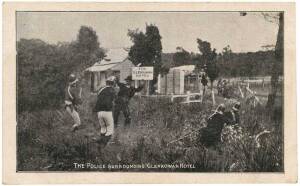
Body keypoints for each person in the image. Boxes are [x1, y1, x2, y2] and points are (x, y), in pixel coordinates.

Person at [93, 76, 117, 146]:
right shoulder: (112, 90)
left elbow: (98, 97)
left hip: (99, 112)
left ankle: (100, 142)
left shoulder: (101, 89)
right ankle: (104, 143)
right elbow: (114, 100)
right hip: (107, 111)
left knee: (103, 128)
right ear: (113, 83)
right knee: (110, 129)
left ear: (107, 82)